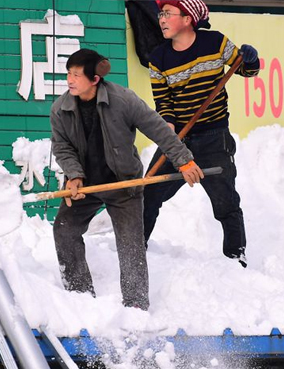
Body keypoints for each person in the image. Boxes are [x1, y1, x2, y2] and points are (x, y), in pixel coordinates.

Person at [50, 48, 204, 310]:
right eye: (68, 74)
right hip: (86, 184)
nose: (70, 80)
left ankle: (136, 307)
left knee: (131, 244)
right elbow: (62, 146)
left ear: (95, 79)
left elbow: (158, 129)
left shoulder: (123, 100)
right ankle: (80, 298)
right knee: (64, 229)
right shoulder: (61, 109)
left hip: (124, 183)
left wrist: (184, 160)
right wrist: (74, 176)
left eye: (77, 75)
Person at [145, 0, 260, 268]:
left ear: (187, 19)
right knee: (148, 193)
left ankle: (235, 257)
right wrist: (170, 139)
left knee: (225, 201)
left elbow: (245, 69)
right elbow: (164, 106)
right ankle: (136, 248)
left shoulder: (215, 44)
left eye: (167, 14)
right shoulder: (158, 58)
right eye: (160, 14)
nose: (161, 19)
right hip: (177, 141)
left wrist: (251, 59)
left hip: (214, 136)